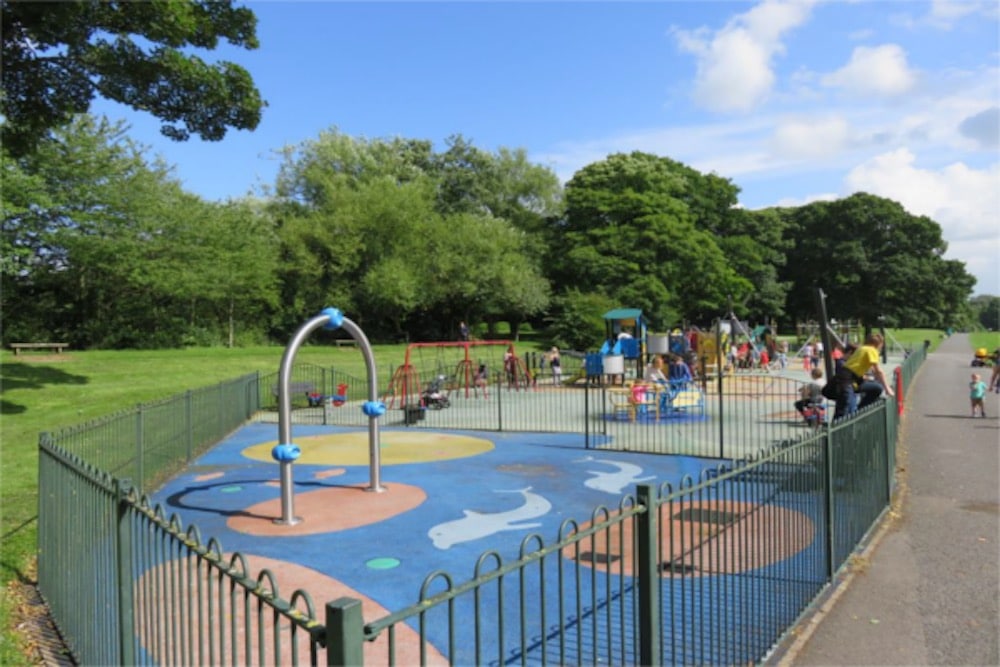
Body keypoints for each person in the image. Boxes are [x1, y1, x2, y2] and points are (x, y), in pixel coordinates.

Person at [832, 333, 894, 419]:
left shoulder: (862, 348)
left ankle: (858, 412)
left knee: (876, 388)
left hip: (851, 378)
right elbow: (878, 371)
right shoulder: (872, 350)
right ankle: (856, 413)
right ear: (879, 344)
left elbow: (870, 367)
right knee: (845, 407)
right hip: (847, 379)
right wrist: (887, 388)